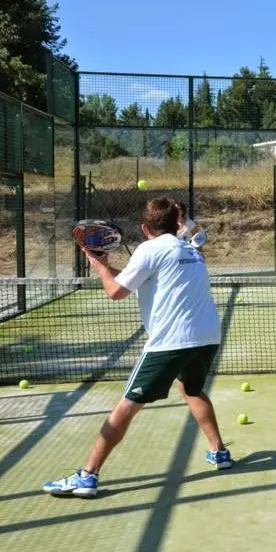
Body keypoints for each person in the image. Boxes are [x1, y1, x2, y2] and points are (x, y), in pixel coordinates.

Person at [43, 197, 232, 498]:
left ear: (145, 228)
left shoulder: (150, 249)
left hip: (172, 341)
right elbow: (140, 276)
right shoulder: (193, 250)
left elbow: (116, 291)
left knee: (127, 405)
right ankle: (219, 452)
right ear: (176, 224)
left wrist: (99, 267)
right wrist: (105, 266)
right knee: (192, 389)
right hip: (208, 336)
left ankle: (87, 476)